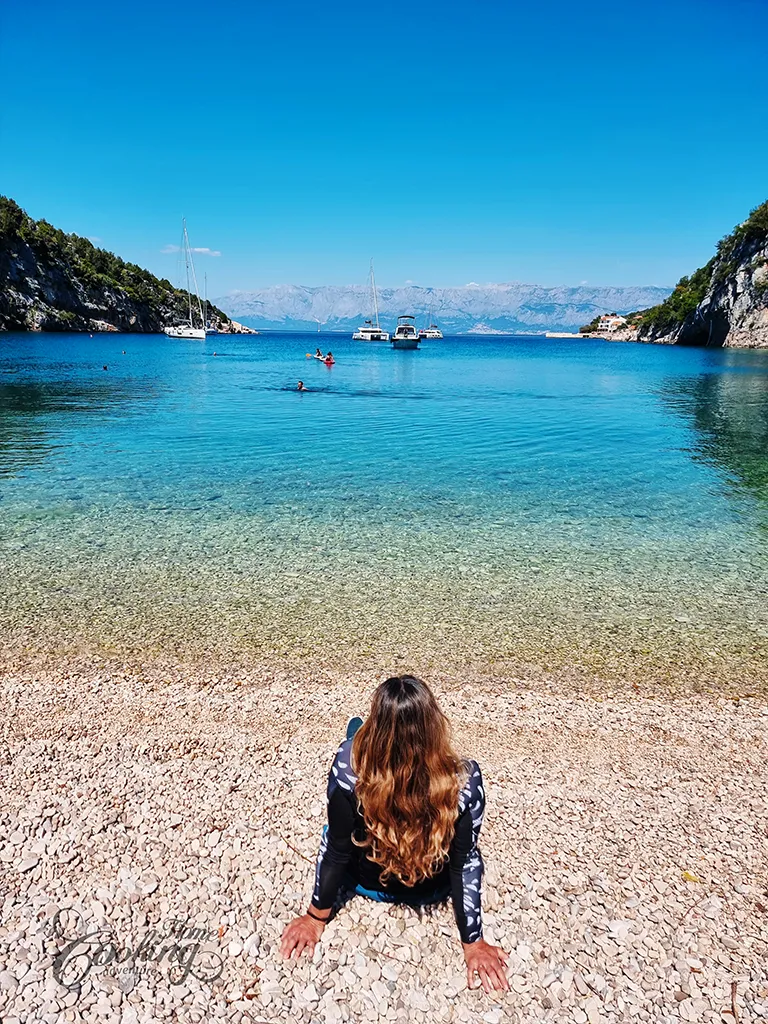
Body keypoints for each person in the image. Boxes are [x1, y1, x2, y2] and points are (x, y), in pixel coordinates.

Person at [280, 675, 509, 992]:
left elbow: (336, 849)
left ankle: (362, 729)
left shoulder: (348, 770)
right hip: (433, 887)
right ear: (435, 724)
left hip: (368, 883)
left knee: (351, 744)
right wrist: (473, 943)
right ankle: (376, 730)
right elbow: (465, 862)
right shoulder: (465, 780)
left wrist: (315, 918)